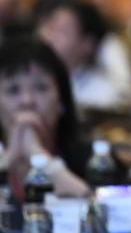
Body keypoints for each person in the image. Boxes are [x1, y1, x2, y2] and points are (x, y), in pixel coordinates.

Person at [0, 37, 90, 200]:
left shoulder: (92, 160)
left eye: (40, 87)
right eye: (13, 90)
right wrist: (8, 159)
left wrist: (39, 157)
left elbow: (105, 211)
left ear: (62, 101)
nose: (27, 101)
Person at [34, 0, 131, 116]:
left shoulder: (104, 95)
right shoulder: (34, 84)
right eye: (50, 27)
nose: (50, 37)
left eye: (62, 31)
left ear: (87, 44)